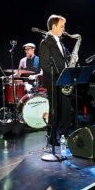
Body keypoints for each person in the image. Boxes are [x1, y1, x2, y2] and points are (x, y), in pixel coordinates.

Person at [39, 14, 73, 142]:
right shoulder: (45, 43)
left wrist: (72, 60)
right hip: (54, 81)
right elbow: (45, 65)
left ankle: (65, 134)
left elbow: (65, 59)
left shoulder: (61, 43)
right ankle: (52, 137)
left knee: (66, 109)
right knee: (55, 110)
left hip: (65, 81)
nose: (64, 29)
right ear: (53, 27)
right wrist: (59, 76)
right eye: (61, 26)